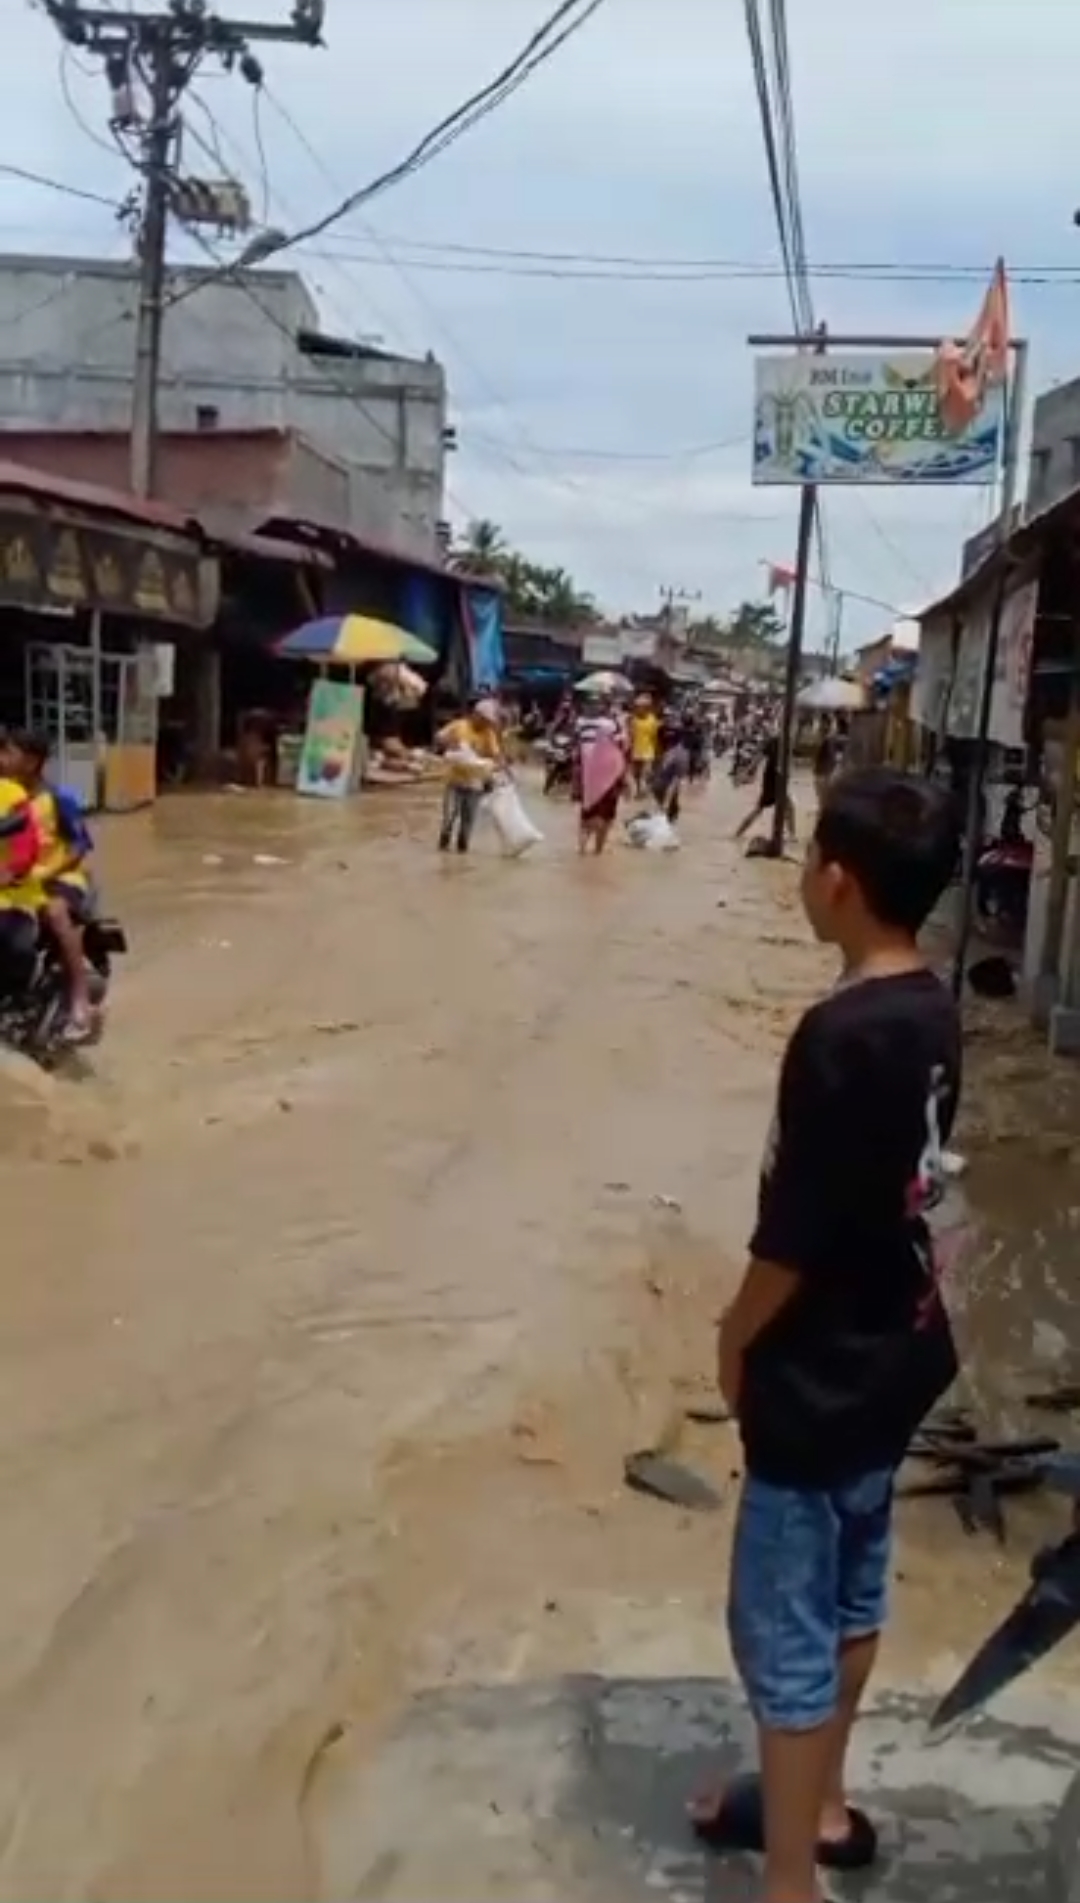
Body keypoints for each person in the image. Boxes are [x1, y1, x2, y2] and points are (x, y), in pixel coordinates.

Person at [692, 768, 963, 1903]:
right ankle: (823, 1799)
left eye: (808, 858)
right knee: (853, 1591)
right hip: (899, 1352)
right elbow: (931, 1186)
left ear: (838, 883)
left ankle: (789, 1877)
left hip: (822, 1371)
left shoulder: (835, 1034)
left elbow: (791, 1233)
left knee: (780, 1623)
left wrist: (733, 1336)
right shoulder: (938, 1008)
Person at [3, 731, 95, 1041]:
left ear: (30, 762)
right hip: (17, 881)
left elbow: (79, 846)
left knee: (55, 912)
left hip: (61, 878)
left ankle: (80, 1000)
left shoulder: (58, 798)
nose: (2, 760)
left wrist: (46, 873)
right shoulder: (7, 798)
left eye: (8, 754)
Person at [434, 696, 504, 853]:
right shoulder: (459, 726)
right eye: (484, 719)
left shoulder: (489, 734)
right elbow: (439, 738)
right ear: (476, 715)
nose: (486, 723)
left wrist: (496, 771)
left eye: (488, 721)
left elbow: (497, 756)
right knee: (449, 818)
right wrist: (448, 743)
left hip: (474, 785)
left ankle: (462, 851)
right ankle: (443, 846)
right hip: (455, 781)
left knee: (467, 822)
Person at [0, 765, 42, 1004]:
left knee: (14, 945)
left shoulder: (12, 795)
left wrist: (11, 869)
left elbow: (25, 847)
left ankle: (19, 995)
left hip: (12, 895)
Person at [577, 700, 626, 854]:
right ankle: (597, 851)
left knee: (587, 816)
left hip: (589, 776)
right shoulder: (611, 725)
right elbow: (622, 747)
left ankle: (582, 851)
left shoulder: (580, 723)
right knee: (605, 817)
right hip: (608, 777)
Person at [735, 730, 797, 845]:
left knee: (765, 808)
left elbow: (759, 758)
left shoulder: (778, 741)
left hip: (772, 778)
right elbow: (759, 758)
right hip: (775, 779)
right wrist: (747, 772)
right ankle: (791, 836)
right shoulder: (779, 742)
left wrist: (747, 772)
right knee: (786, 807)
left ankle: (738, 833)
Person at [627, 696, 660, 798]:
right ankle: (639, 790)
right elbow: (630, 735)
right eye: (637, 706)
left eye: (640, 706)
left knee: (644, 774)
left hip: (648, 751)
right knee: (635, 774)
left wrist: (657, 752)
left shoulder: (652, 720)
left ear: (647, 707)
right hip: (636, 750)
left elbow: (655, 737)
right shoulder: (633, 719)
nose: (638, 708)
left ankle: (642, 791)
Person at [812, 718, 839, 812]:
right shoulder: (827, 740)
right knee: (823, 801)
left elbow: (831, 759)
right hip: (823, 774)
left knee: (823, 802)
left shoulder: (827, 741)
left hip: (823, 774)